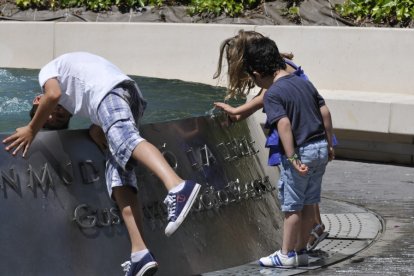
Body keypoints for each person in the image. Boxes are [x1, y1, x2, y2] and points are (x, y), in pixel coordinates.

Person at [2, 52, 201, 276]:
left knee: (126, 140)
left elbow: (54, 94)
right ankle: (140, 252)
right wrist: (96, 129)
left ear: (38, 100)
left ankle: (176, 185)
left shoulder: (48, 73)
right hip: (119, 95)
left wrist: (31, 129)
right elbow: (78, 95)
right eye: (58, 117)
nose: (55, 112)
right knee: (118, 177)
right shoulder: (76, 98)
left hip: (111, 91)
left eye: (50, 113)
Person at [213, 30, 330, 254]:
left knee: (296, 196)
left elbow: (271, 98)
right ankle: (308, 237)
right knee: (307, 191)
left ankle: (293, 249)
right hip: (313, 129)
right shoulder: (279, 63)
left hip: (298, 133)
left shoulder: (274, 76)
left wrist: (239, 112)